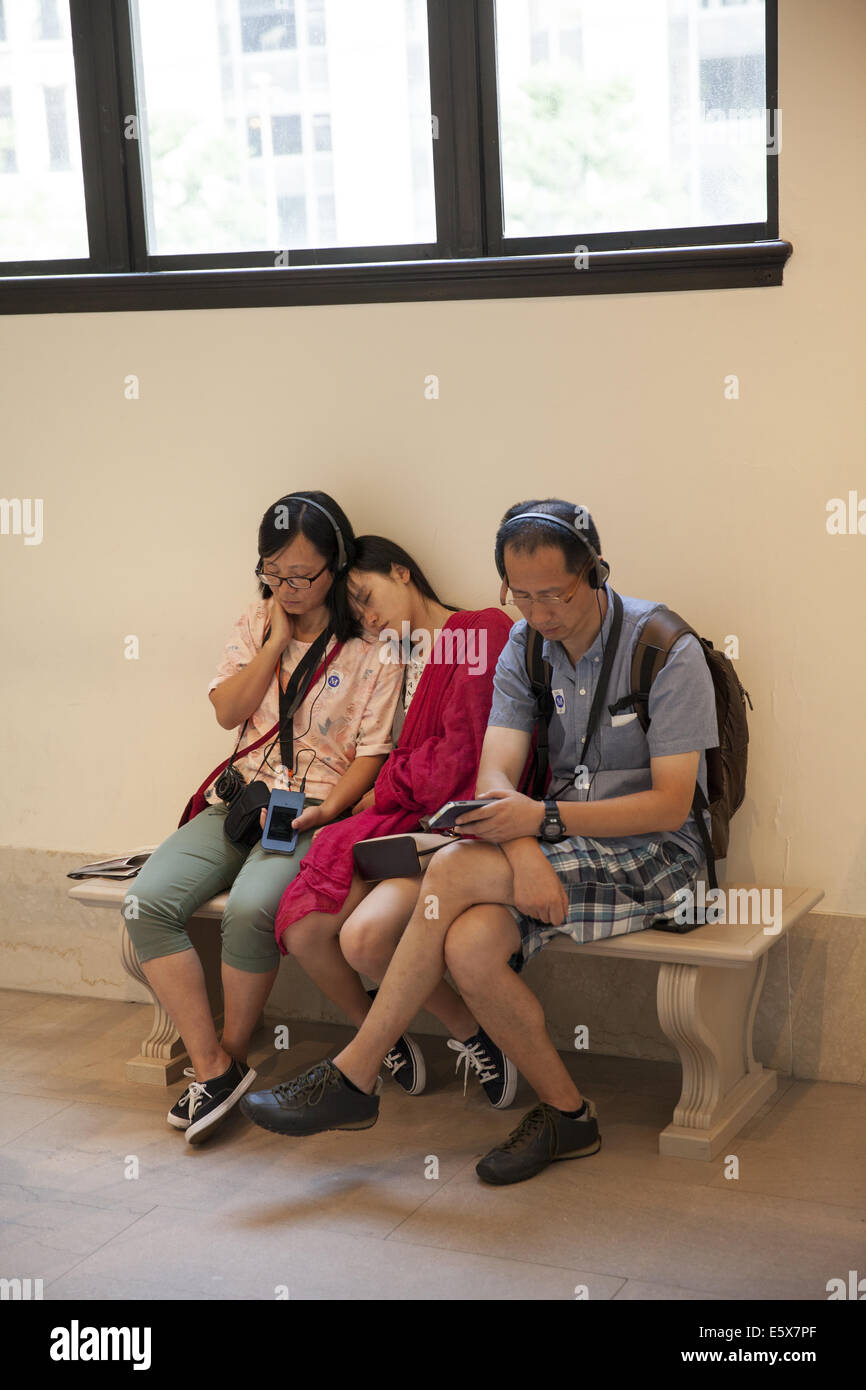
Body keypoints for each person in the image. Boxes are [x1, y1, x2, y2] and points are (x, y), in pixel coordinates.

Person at [238, 499, 718, 1189]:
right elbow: (495, 772)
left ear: (598, 572)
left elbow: (671, 803)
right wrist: (523, 845)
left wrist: (537, 825)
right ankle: (568, 1114)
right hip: (556, 846)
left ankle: (356, 1071)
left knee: (458, 870)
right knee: (467, 947)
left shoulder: (664, 648)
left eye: (554, 593)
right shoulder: (524, 645)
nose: (539, 611)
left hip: (659, 855)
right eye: (519, 594)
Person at [123, 492, 404, 1144]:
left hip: (314, 808)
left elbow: (373, 754)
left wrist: (330, 812)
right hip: (244, 802)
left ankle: (222, 1058)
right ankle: (217, 1067)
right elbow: (228, 711)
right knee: (146, 904)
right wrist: (276, 642)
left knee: (254, 907)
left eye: (303, 576)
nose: (289, 588)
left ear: (336, 565)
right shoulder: (256, 622)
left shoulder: (373, 645)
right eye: (275, 575)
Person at [239, 536, 523, 1122]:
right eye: (357, 612)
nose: (368, 617)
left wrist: (383, 786)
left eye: (368, 597)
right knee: (305, 929)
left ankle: (475, 1037)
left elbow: (462, 761)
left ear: (403, 571)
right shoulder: (390, 655)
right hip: (395, 823)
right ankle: (383, 1037)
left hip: (451, 830)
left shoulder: (479, 631)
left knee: (363, 938)